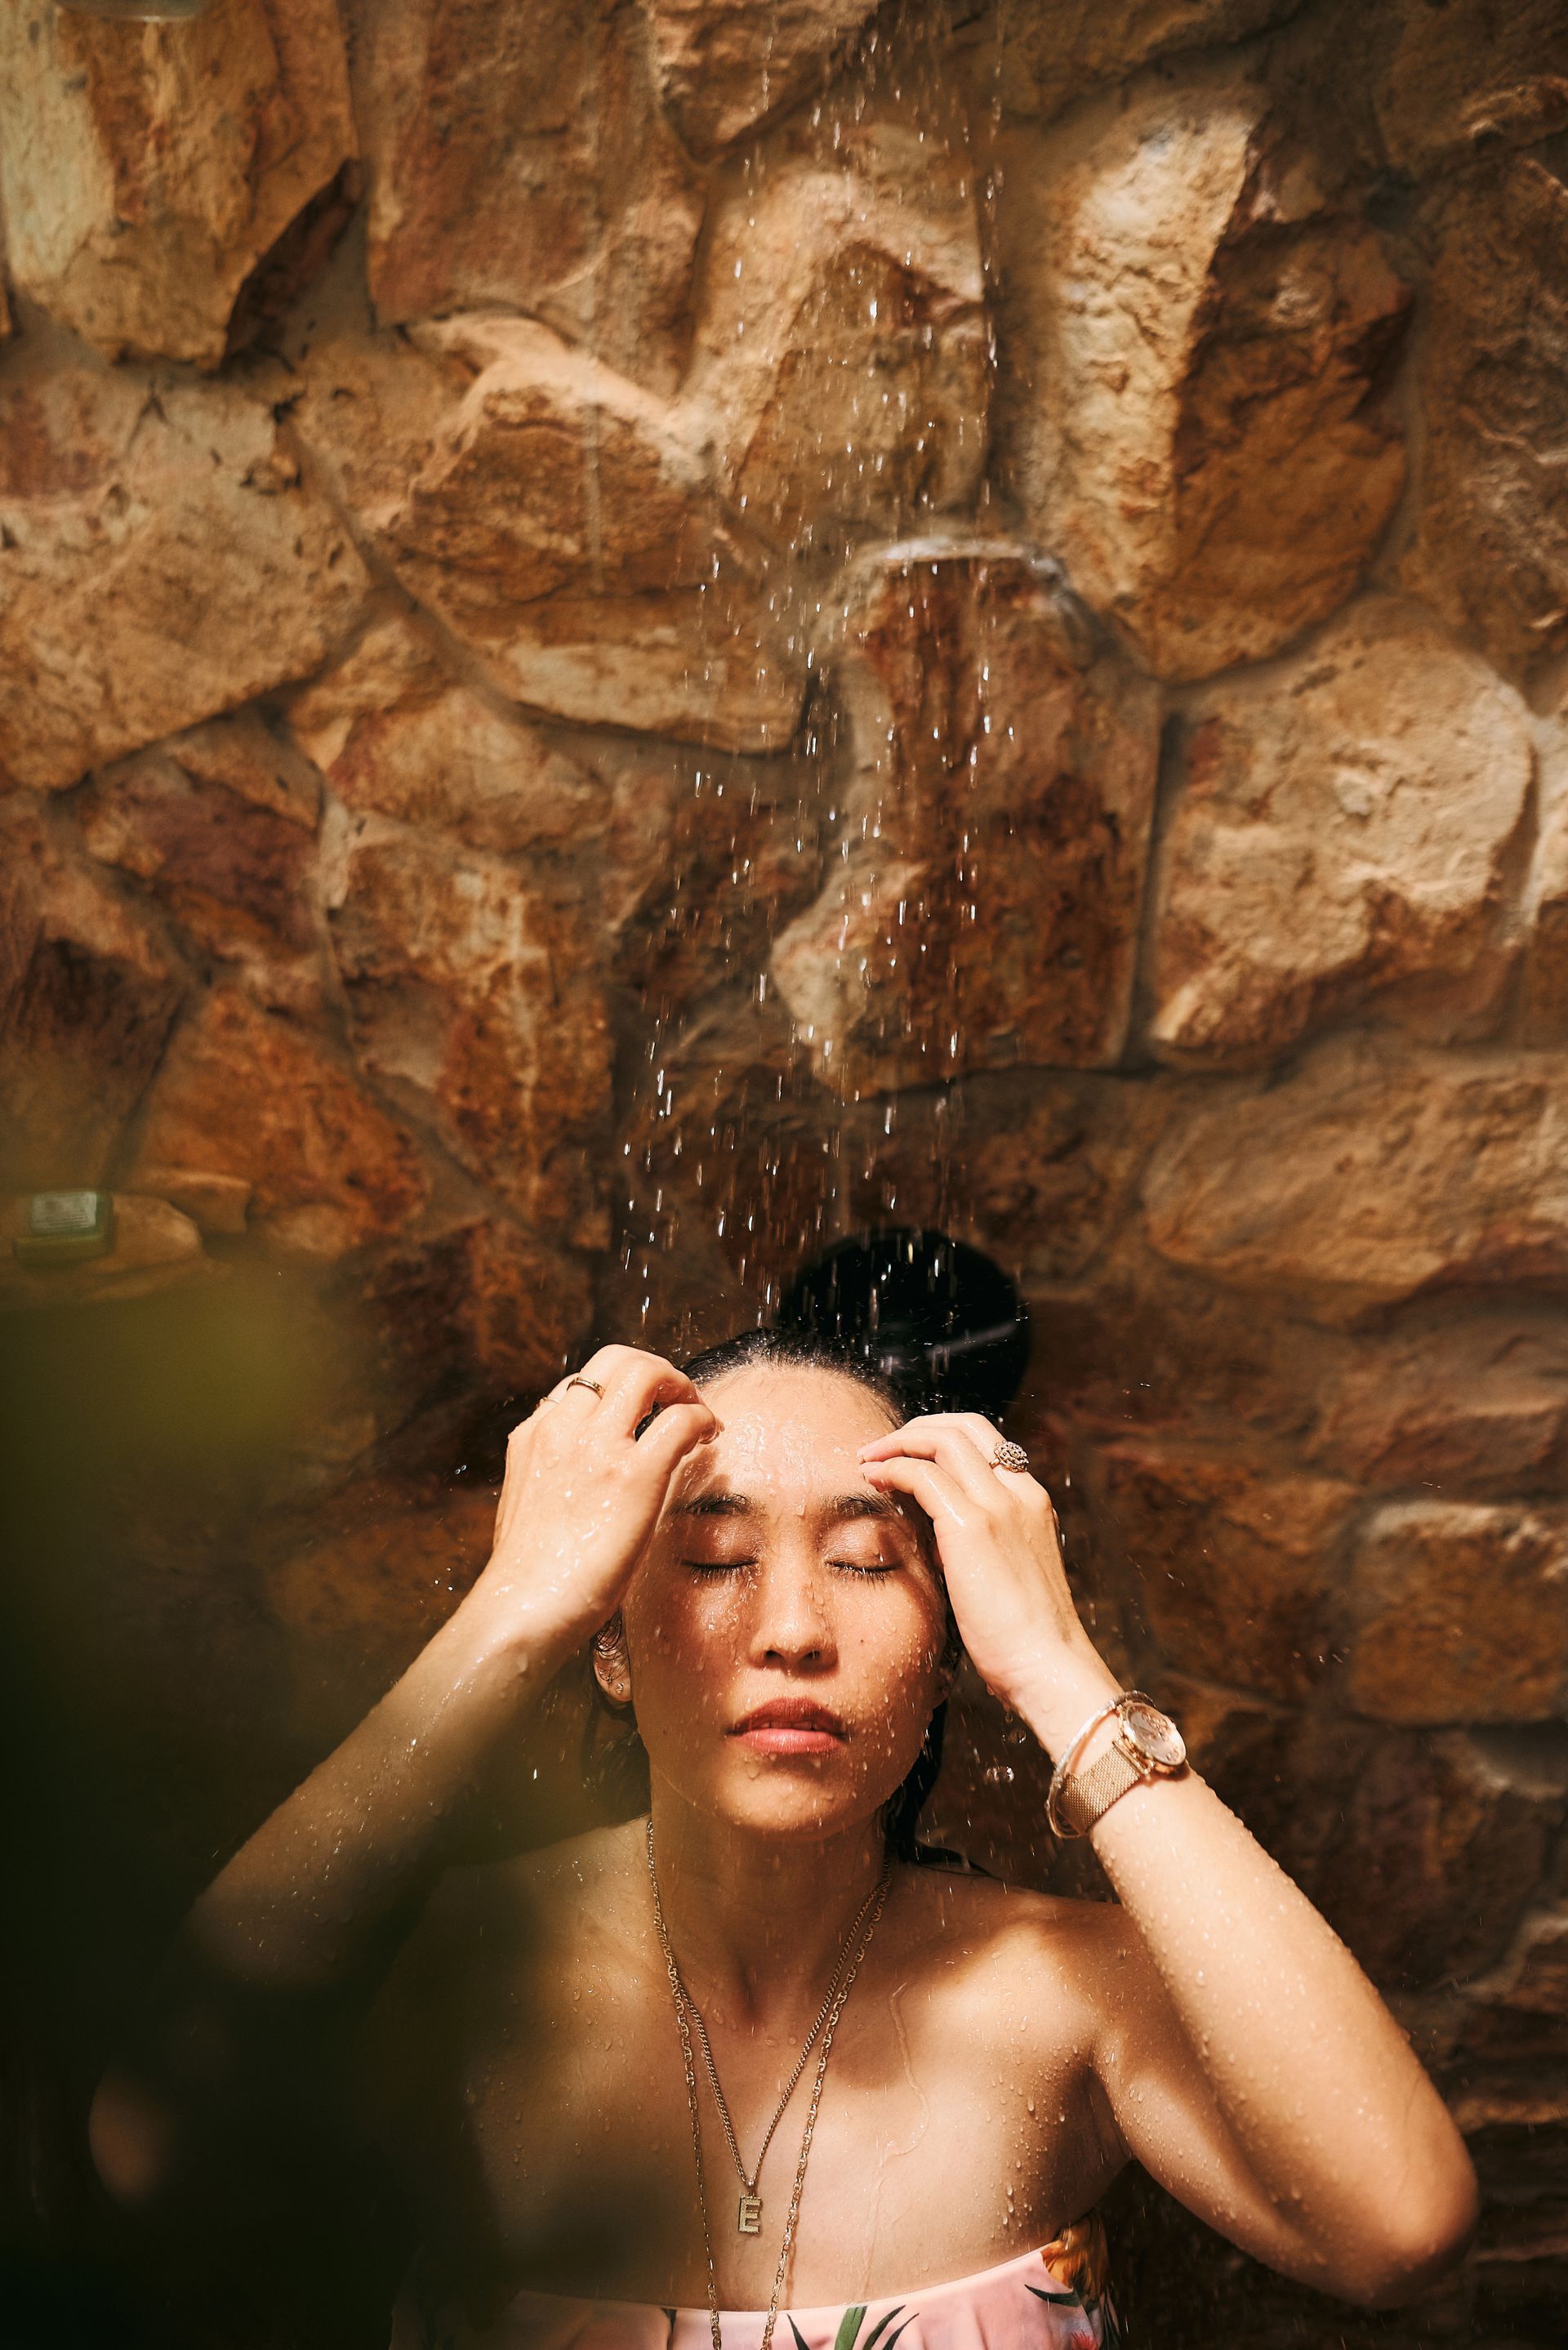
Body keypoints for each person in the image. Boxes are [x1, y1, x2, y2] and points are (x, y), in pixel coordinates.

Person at [90, 1332, 1479, 2349]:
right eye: (709, 1559)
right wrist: (509, 1612)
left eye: (870, 1561)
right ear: (612, 1641)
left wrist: (1058, 1669)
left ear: (945, 1646)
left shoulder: (1067, 1998)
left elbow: (1403, 2224)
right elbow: (146, 2142)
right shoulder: (460, 1975)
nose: (794, 1627)